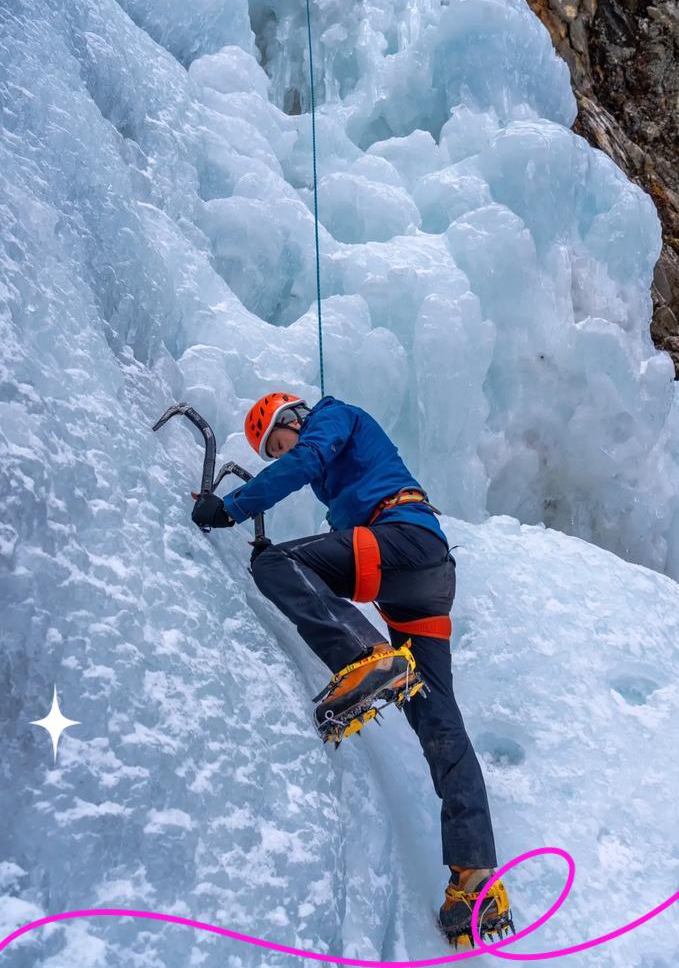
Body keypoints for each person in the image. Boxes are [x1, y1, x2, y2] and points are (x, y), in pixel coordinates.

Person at [191, 392, 513, 946]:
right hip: (425, 578)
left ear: (294, 418)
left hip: (400, 540)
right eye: (274, 450)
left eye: (280, 442)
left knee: (277, 561)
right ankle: (474, 881)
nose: (282, 452)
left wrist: (231, 507)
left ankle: (364, 657)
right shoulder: (339, 462)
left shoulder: (332, 415)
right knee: (437, 722)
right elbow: (314, 466)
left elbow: (308, 459)